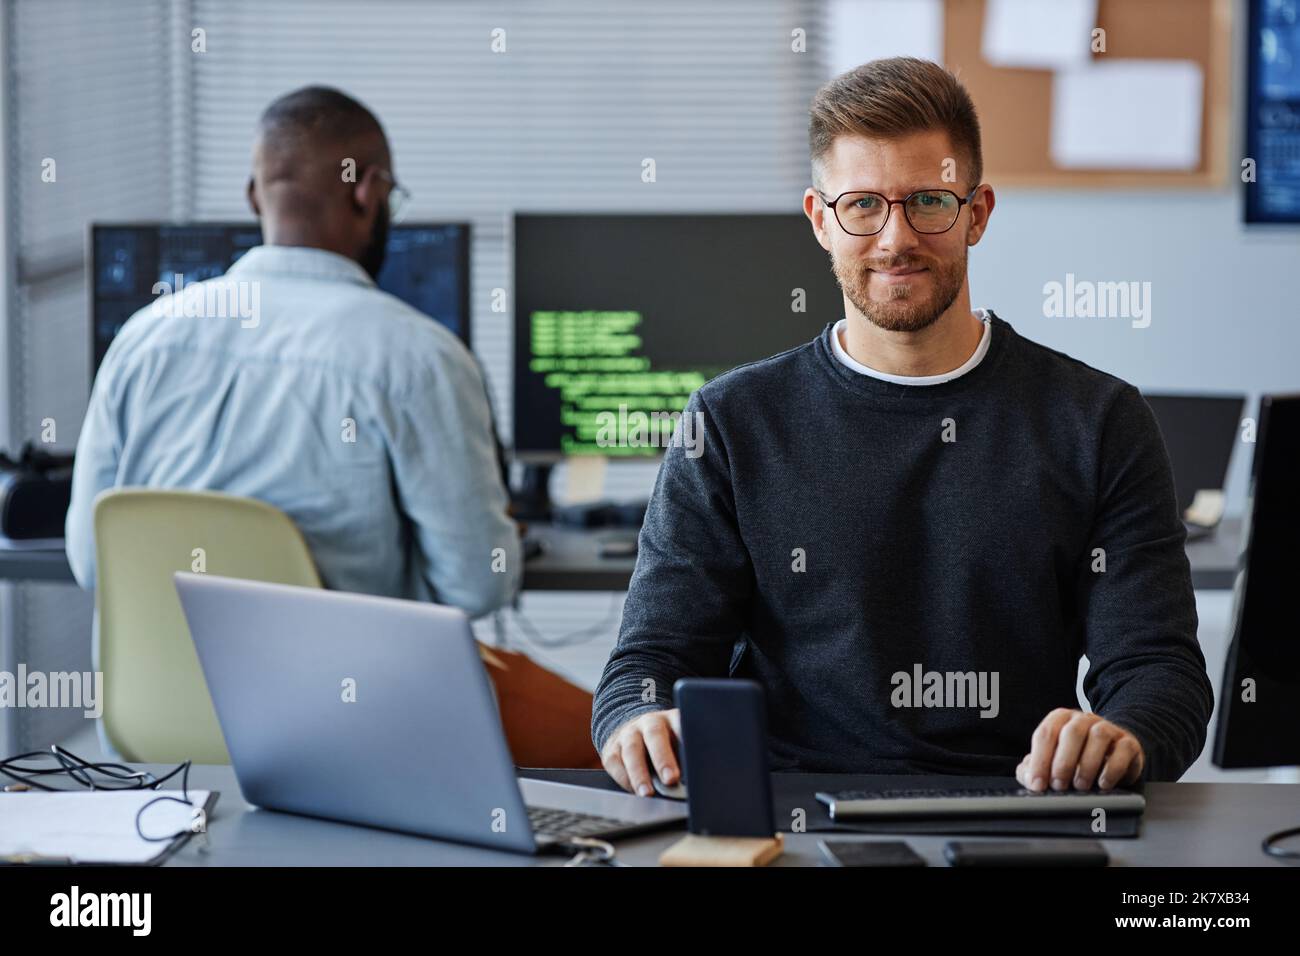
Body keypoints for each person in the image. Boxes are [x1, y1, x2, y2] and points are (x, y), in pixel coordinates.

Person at [592, 58, 1213, 797]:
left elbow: (1160, 673)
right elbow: (648, 664)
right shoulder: (731, 423)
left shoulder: (1099, 420)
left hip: (1018, 810)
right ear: (821, 220)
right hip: (791, 813)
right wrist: (641, 720)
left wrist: (1123, 736)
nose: (895, 239)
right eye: (862, 205)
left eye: (927, 201)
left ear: (977, 212)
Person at [67, 86, 520, 616]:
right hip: (352, 696)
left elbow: (91, 560)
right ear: (368, 192)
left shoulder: (140, 341)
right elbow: (479, 586)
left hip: (155, 699)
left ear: (255, 196)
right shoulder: (419, 359)